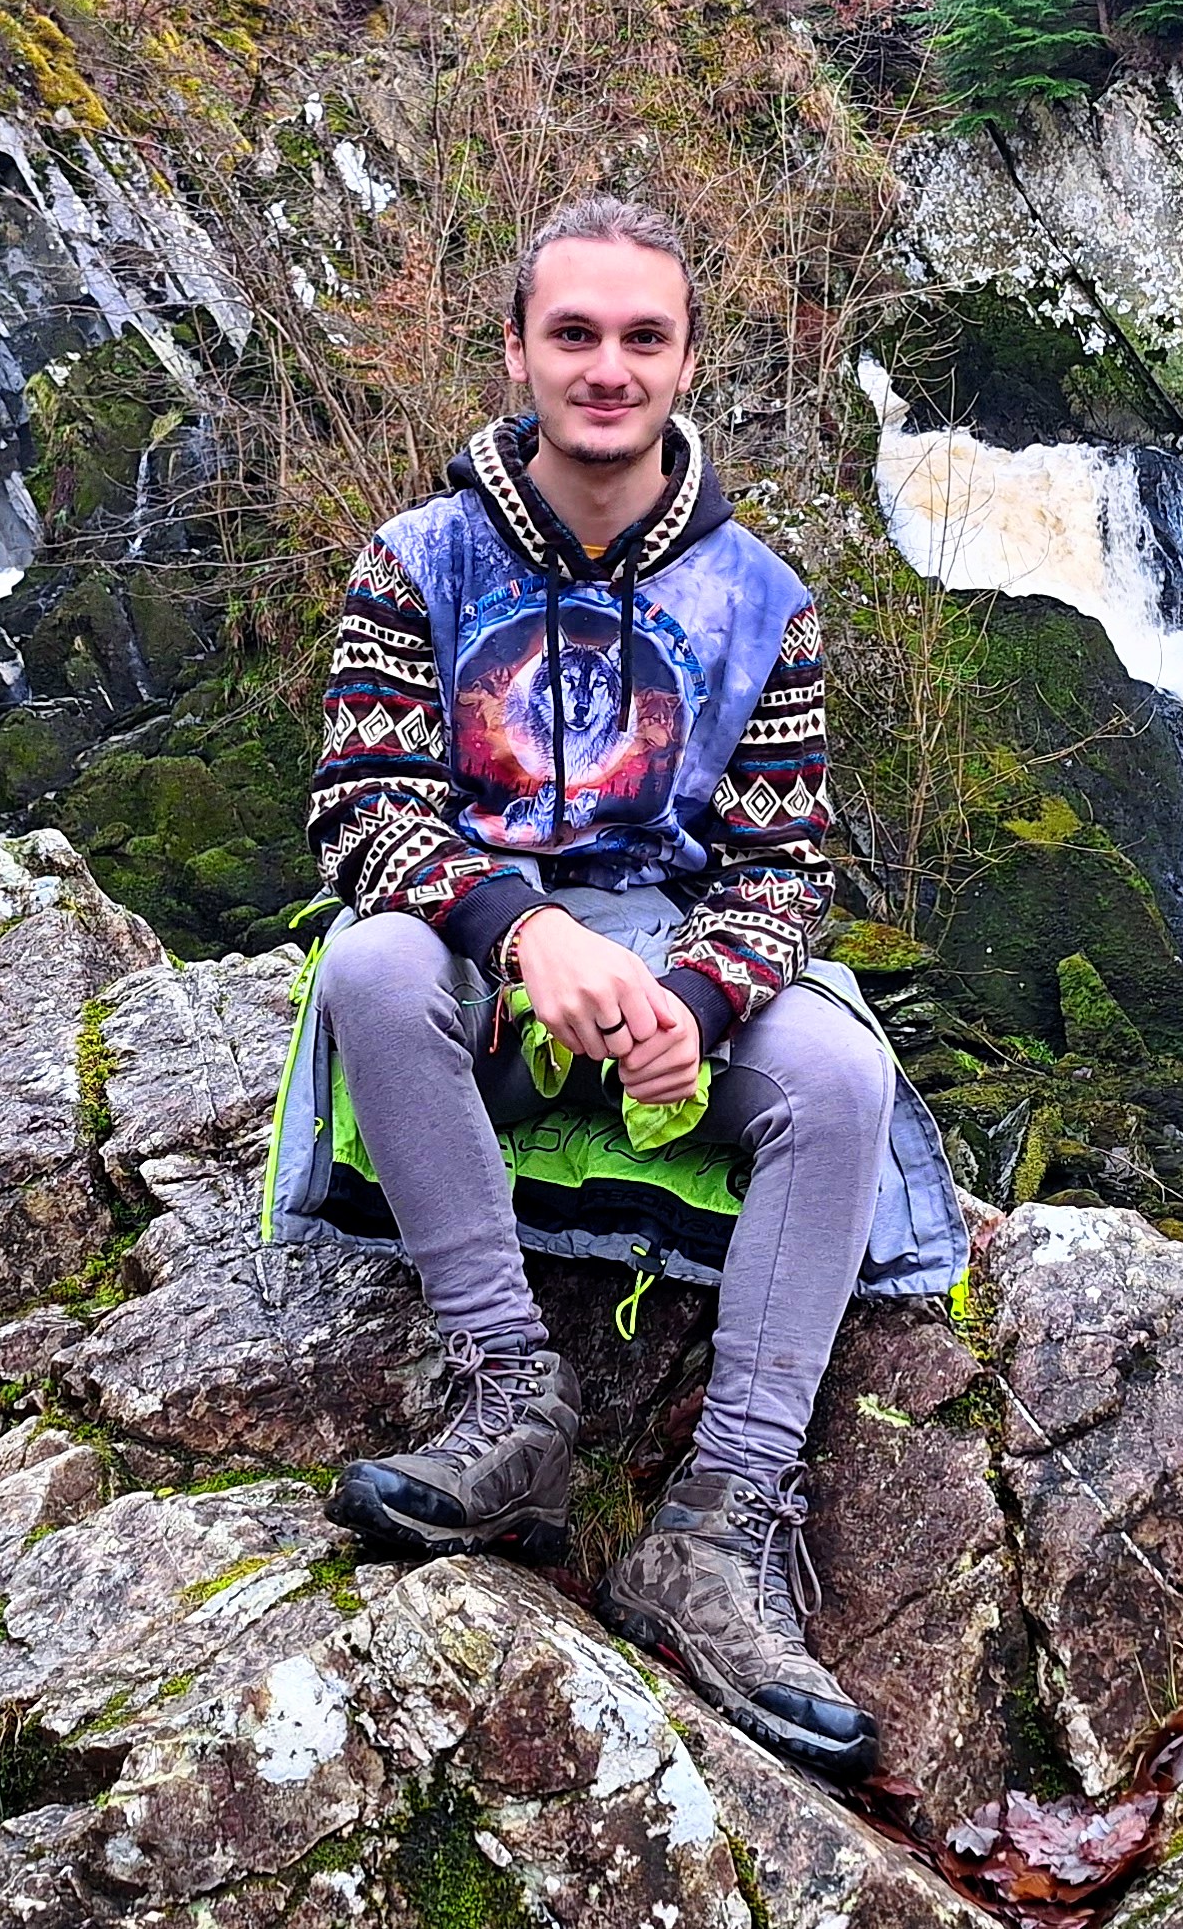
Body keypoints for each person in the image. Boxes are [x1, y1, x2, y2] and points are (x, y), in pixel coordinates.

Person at [262, 194, 968, 1781]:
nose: (606, 366)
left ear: (686, 359)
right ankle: (515, 1404)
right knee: (370, 964)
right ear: (515, 349)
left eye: (642, 336)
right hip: (480, 958)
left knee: (843, 1078)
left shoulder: (761, 601)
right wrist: (521, 930)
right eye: (572, 332)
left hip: (674, 953)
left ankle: (716, 1528)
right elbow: (363, 809)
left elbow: (785, 860)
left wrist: (703, 1001)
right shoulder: (416, 565)